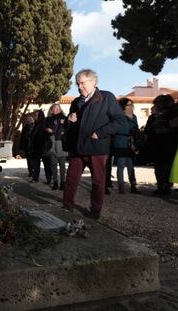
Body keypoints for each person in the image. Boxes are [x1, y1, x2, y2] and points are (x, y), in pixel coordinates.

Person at [62, 69, 125, 220]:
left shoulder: (106, 97)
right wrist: (69, 120)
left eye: (82, 83)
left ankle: (95, 211)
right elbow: (69, 125)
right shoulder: (76, 102)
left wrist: (100, 133)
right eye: (78, 84)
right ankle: (66, 207)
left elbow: (119, 121)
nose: (79, 87)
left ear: (93, 82)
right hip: (78, 148)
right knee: (70, 179)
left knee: (97, 181)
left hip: (97, 148)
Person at [144, 95, 178, 196]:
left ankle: (166, 186)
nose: (156, 105)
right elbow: (147, 130)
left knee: (166, 166)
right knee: (159, 167)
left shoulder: (172, 114)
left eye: (158, 103)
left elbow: (176, 129)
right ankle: (161, 186)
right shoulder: (153, 117)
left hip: (168, 144)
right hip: (157, 145)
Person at [111, 98, 140, 194]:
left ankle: (133, 186)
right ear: (123, 106)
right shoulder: (119, 116)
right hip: (120, 142)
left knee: (131, 165)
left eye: (132, 104)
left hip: (131, 144)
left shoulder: (134, 117)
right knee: (121, 165)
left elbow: (136, 128)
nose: (131, 106)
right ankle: (121, 187)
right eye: (129, 105)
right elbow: (119, 129)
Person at [44, 103, 67, 190]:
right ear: (51, 110)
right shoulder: (48, 119)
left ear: (60, 109)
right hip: (52, 142)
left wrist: (65, 123)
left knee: (62, 165)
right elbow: (44, 128)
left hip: (61, 143)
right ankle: (55, 182)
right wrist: (47, 129)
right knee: (53, 164)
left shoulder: (64, 118)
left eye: (57, 108)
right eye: (53, 108)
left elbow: (69, 128)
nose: (55, 110)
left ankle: (63, 182)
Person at [19, 114, 36, 178]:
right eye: (28, 120)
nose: (29, 121)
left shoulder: (35, 126)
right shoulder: (25, 127)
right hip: (27, 146)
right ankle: (30, 172)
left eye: (30, 119)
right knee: (29, 160)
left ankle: (34, 172)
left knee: (34, 160)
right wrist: (21, 146)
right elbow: (22, 137)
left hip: (33, 146)